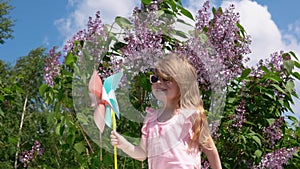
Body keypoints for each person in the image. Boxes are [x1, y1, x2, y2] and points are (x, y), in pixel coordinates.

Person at [110, 53, 222, 169]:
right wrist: (123, 144)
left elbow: (209, 148)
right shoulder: (151, 119)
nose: (159, 82)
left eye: (166, 79)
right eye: (155, 78)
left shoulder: (191, 116)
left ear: (182, 84)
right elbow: (142, 154)